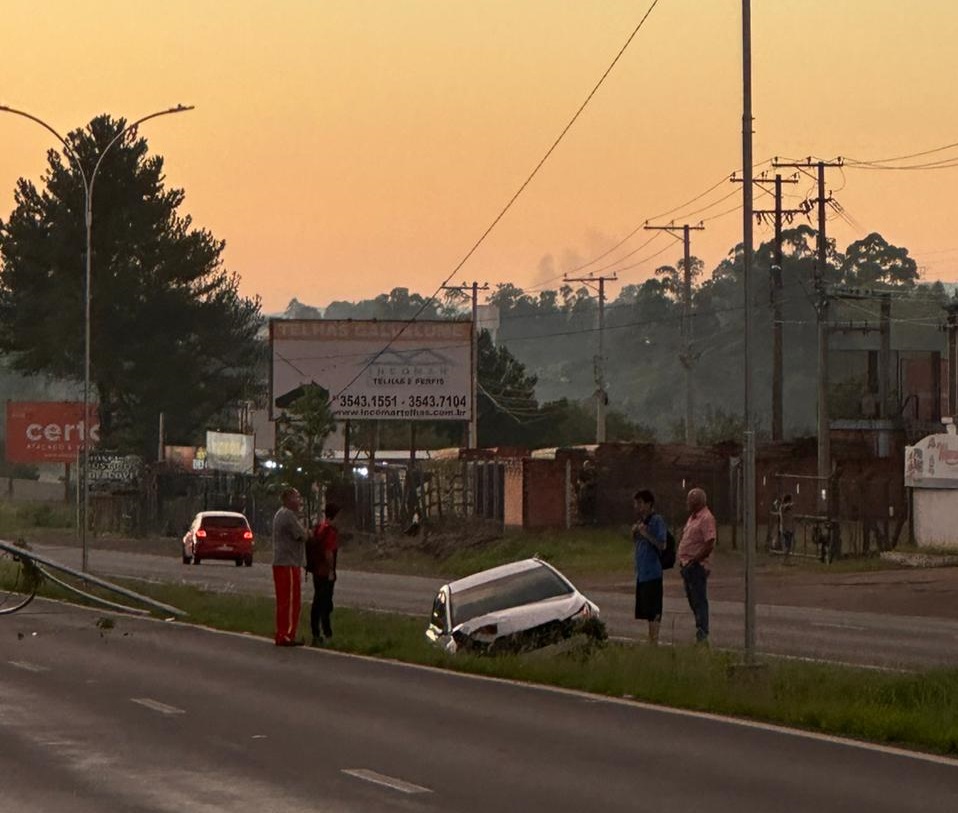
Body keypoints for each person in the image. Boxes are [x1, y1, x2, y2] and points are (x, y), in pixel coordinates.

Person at [677, 487, 716, 644]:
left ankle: (702, 632)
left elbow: (709, 542)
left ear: (697, 502)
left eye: (690, 500)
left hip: (696, 566)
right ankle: (700, 628)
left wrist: (694, 561)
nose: (687, 503)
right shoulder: (692, 518)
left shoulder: (706, 518)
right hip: (687, 565)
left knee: (699, 600)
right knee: (692, 599)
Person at [272, 487, 307, 647]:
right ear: (288, 499)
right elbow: (302, 535)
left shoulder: (281, 514)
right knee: (292, 601)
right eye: (297, 497)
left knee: (283, 601)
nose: (299, 501)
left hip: (281, 562)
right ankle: (287, 634)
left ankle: (281, 632)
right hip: (288, 563)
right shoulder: (288, 515)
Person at [631, 489, 667, 645]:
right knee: (645, 609)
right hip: (642, 573)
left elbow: (662, 544)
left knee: (654, 610)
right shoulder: (641, 522)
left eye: (640, 503)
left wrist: (645, 534)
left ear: (649, 504)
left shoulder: (657, 521)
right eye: (636, 503)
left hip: (653, 572)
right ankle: (650, 637)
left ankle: (654, 640)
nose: (637, 507)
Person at [306, 502, 340, 645]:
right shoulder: (330, 532)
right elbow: (328, 553)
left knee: (318, 602)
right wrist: (331, 571)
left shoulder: (319, 528)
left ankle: (316, 632)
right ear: (335, 516)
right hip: (325, 571)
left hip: (316, 571)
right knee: (325, 604)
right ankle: (326, 633)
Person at [780, 493, 795, 559]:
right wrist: (789, 505)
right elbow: (785, 507)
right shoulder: (783, 507)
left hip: (790, 528)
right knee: (787, 544)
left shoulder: (789, 509)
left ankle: (787, 557)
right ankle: (786, 558)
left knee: (789, 544)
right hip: (786, 528)